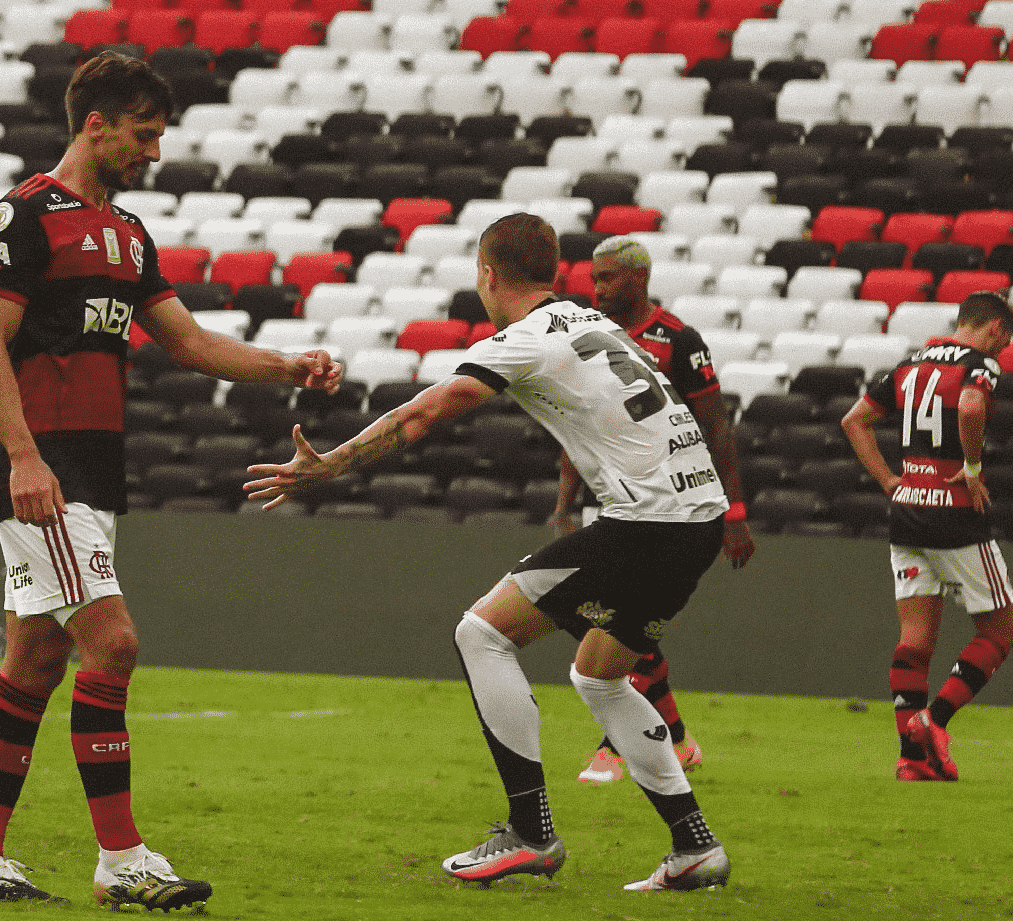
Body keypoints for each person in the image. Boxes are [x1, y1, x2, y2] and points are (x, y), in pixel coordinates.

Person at [0, 51, 342, 908]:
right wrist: (22, 457)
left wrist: (287, 365)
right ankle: (122, 859)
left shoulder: (126, 232)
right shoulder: (21, 215)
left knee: (35, 660)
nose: (153, 151)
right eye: (144, 133)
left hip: (94, 468)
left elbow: (189, 342)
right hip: (44, 465)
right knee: (113, 644)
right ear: (96, 124)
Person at [245, 213, 730, 892]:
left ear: (488, 274)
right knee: (599, 675)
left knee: (481, 633)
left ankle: (531, 832)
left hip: (648, 522)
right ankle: (694, 847)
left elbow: (426, 411)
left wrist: (329, 466)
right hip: (698, 517)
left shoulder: (527, 338)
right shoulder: (594, 322)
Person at [558, 236, 755, 784]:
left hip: (666, 506)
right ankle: (678, 738)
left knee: (617, 626)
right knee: (604, 622)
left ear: (639, 279)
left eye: (607, 278)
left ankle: (615, 748)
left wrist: (735, 512)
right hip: (608, 500)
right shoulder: (590, 336)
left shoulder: (679, 340)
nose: (597, 289)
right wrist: (564, 503)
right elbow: (579, 425)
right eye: (594, 278)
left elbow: (716, 426)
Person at [840, 291, 1013, 782]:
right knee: (1000, 633)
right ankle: (933, 721)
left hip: (907, 512)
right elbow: (970, 407)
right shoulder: (979, 365)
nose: (1001, 351)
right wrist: (973, 469)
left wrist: (888, 481)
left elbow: (854, 421)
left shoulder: (910, 364)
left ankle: (911, 760)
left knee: (914, 641)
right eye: (1004, 340)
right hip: (955, 515)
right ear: (993, 328)